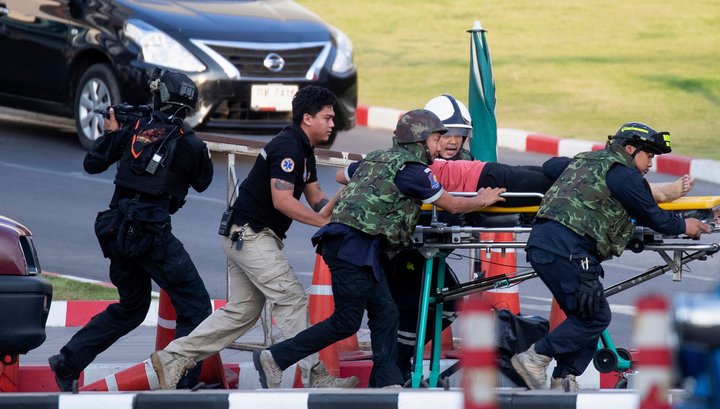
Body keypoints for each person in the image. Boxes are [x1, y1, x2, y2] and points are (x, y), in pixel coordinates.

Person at [251, 109, 506, 388]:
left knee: (386, 312)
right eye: (436, 139)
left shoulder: (376, 157)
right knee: (346, 322)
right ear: (420, 140)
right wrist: (483, 199)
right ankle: (275, 358)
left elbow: (342, 176)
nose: (439, 146)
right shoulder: (414, 171)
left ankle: (386, 382)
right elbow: (454, 205)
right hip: (353, 248)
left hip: (355, 246)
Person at [150, 85, 358, 390]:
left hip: (245, 236)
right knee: (291, 298)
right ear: (307, 118)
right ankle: (314, 375)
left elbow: (316, 197)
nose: (332, 124)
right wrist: (320, 221)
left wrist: (343, 202)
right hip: (250, 236)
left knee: (242, 312)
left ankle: (172, 358)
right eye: (327, 118)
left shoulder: (303, 149)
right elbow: (282, 200)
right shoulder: (288, 148)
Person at [511, 122, 711, 392]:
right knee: (595, 317)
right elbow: (655, 217)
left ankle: (564, 378)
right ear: (630, 149)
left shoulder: (586, 161)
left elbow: (551, 164)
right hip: (569, 249)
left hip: (544, 245)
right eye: (648, 155)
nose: (651, 163)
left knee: (585, 313)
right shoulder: (625, 177)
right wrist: (685, 225)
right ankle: (535, 357)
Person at [48, 68, 215, 391]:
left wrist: (113, 132)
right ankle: (183, 385)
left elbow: (92, 163)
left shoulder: (133, 129)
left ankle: (67, 362)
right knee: (196, 307)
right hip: (151, 234)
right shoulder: (190, 143)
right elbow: (203, 181)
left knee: (133, 308)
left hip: (117, 230)